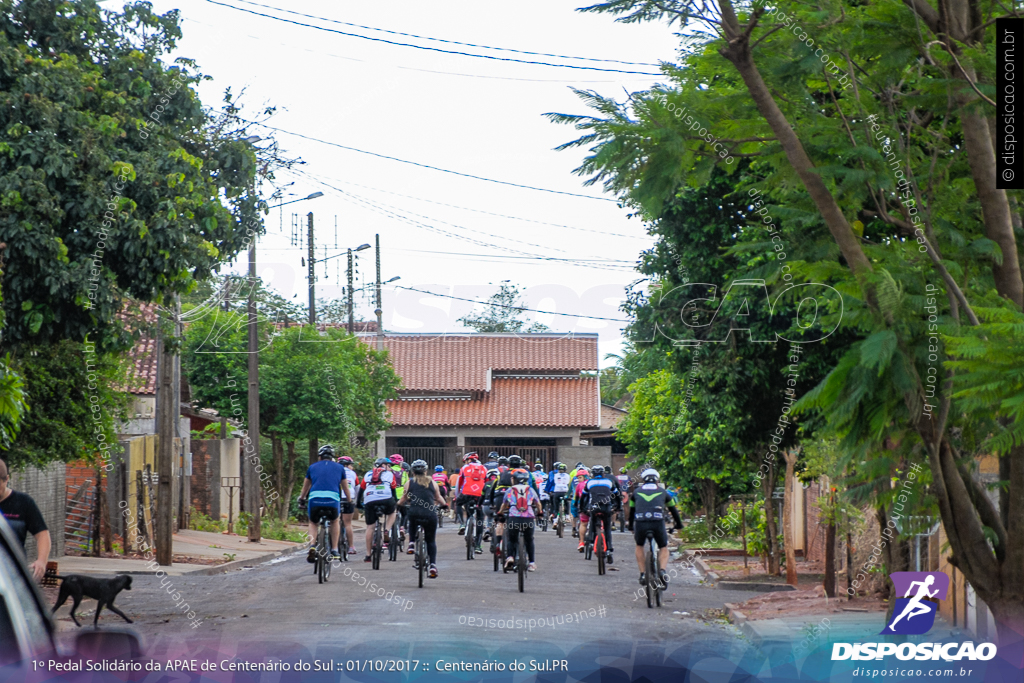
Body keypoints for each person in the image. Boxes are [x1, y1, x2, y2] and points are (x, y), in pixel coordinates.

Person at [628, 469, 682, 586]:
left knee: (639, 545)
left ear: (643, 481)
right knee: (663, 546)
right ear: (657, 480)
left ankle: (642, 574)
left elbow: (632, 512)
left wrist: (631, 526)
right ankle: (662, 571)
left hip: (641, 523)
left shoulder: (636, 493)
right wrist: (679, 525)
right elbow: (674, 511)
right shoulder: (663, 492)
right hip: (657, 523)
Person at [297, 444, 352, 560]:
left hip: (315, 499)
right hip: (332, 500)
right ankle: (335, 550)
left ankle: (312, 546)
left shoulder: (312, 467)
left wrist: (301, 499)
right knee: (335, 520)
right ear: (332, 457)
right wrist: (350, 500)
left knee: (313, 522)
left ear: (320, 457)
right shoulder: (340, 468)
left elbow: (305, 487)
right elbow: (345, 487)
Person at [0, 459, 51, 580]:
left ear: (6, 479)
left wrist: (41, 561)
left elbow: (42, 534)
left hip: (13, 575)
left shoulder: (24, 502)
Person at [397, 460, 447, 578]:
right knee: (431, 541)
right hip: (430, 514)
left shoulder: (409, 483)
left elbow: (404, 498)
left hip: (415, 512)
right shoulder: (433, 482)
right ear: (425, 471)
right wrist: (445, 506)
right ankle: (433, 566)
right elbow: (438, 497)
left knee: (412, 521)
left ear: (413, 472)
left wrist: (398, 506)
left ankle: (411, 543)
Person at [498, 470, 542, 572]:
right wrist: (540, 513)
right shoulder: (530, 490)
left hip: (514, 517)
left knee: (512, 539)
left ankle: (510, 557)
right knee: (529, 540)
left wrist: (500, 513)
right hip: (528, 518)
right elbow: (538, 504)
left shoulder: (510, 490)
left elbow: (504, 504)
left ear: (514, 480)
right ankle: (531, 563)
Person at [360, 456, 398, 562]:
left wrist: (359, 504)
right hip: (386, 498)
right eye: (389, 466)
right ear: (383, 466)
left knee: (370, 527)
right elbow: (393, 490)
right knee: (392, 511)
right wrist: (395, 501)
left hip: (369, 499)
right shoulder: (390, 475)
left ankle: (368, 555)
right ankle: (386, 530)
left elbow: (361, 490)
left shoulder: (367, 474)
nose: (390, 468)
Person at [579, 465, 618, 563]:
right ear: (603, 473)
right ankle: (609, 549)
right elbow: (617, 495)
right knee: (607, 527)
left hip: (594, 507)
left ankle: (591, 542)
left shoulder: (589, 482)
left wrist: (582, 509)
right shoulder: (609, 482)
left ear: (592, 474)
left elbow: (584, 497)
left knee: (592, 521)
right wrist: (618, 507)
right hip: (606, 507)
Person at [455, 452, 487, 553]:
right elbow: (486, 484)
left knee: (458, 503)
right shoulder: (484, 468)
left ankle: (462, 524)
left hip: (466, 493)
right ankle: (478, 545)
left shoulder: (464, 468)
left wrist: (457, 497)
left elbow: (458, 483)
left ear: (468, 460)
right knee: (480, 519)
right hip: (479, 495)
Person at [339, 456, 360, 555]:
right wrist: (355, 500)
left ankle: (331, 545)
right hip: (348, 498)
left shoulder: (336, 471)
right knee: (348, 523)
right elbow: (357, 488)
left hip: (336, 497)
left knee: (333, 521)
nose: (352, 467)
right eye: (351, 465)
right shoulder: (353, 474)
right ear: (347, 465)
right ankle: (351, 546)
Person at [570, 466, 589, 540]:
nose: (578, 479)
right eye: (578, 478)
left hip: (580, 503)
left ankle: (574, 528)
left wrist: (573, 503)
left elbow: (575, 496)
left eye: (580, 478)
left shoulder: (579, 485)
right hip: (588, 505)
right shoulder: (590, 482)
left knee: (576, 515)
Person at [481, 469, 500, 541]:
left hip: (486, 506)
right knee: (499, 522)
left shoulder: (486, 484)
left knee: (489, 517)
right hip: (496, 505)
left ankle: (487, 529)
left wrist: (478, 505)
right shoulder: (499, 485)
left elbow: (482, 496)